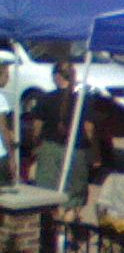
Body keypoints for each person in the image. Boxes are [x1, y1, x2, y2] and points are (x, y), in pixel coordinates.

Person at [32, 60, 93, 222]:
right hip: (76, 150)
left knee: (48, 196)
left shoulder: (45, 99)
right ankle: (65, 234)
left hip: (50, 150)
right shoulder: (82, 100)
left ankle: (52, 234)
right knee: (72, 199)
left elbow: (37, 128)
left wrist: (35, 144)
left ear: (56, 77)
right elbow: (89, 129)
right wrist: (93, 151)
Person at [0, 61, 13, 184]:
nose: (8, 79)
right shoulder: (1, 99)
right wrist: (11, 157)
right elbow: (3, 128)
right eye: (6, 75)